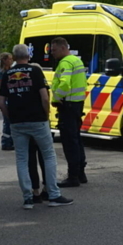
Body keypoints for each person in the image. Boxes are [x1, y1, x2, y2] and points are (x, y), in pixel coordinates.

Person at [0, 44, 73, 209]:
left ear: (14, 57)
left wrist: (10, 117)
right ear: (28, 56)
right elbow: (44, 97)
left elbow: (1, 101)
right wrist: (45, 115)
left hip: (17, 122)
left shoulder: (7, 74)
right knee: (48, 156)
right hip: (37, 119)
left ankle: (28, 197)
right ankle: (53, 194)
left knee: (22, 159)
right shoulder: (35, 71)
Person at [50, 37, 87, 187]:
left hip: (68, 105)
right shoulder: (76, 61)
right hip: (77, 105)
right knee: (76, 139)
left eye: (54, 50)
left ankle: (73, 176)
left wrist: (55, 98)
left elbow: (65, 83)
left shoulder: (65, 62)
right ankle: (80, 173)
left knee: (69, 142)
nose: (52, 53)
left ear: (63, 48)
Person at [0, 52, 15, 150]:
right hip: (6, 98)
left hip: (11, 97)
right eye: (9, 59)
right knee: (7, 121)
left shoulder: (11, 70)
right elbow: (1, 86)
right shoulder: (1, 72)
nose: (11, 61)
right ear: (4, 60)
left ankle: (11, 141)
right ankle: (6, 142)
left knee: (11, 121)